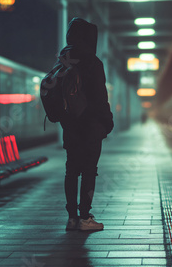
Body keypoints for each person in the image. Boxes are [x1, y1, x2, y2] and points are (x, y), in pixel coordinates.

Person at [57, 17, 114, 231]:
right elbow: (100, 98)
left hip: (70, 127)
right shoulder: (93, 62)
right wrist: (107, 122)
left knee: (71, 170)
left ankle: (72, 218)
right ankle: (85, 218)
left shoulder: (62, 60)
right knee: (89, 170)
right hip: (90, 126)